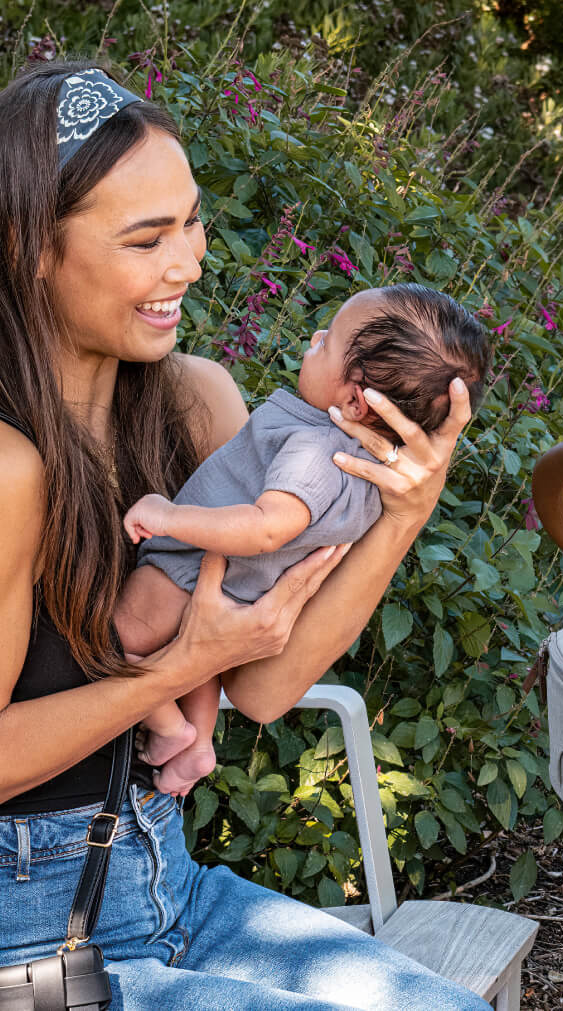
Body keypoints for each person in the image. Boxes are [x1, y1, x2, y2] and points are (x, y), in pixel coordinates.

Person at [0, 61, 495, 1009]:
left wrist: (403, 511)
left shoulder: (192, 401)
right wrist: (172, 672)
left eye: (191, 220)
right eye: (146, 238)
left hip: (160, 890)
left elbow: (262, 683)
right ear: (27, 249)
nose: (190, 261)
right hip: (4, 952)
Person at [117, 284, 491, 796]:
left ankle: (171, 728)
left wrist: (168, 514)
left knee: (109, 643)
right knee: (192, 656)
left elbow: (267, 525)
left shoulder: (315, 451)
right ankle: (196, 742)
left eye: (327, 342)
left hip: (187, 568)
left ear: (357, 400)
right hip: (229, 592)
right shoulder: (364, 476)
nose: (313, 337)